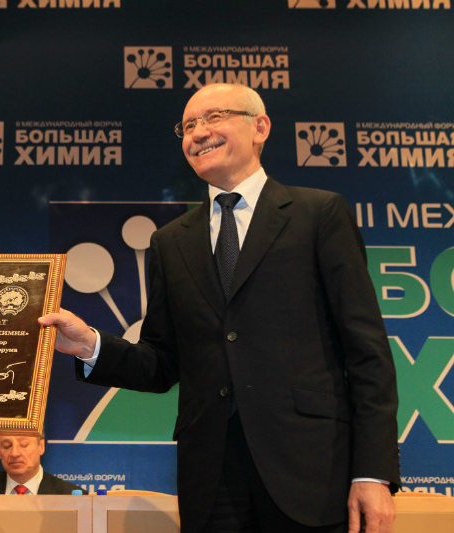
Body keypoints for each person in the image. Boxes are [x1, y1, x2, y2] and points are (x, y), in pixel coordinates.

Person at [39, 83, 400, 533]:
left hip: (312, 471)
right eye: (188, 125)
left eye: (214, 117)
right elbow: (161, 362)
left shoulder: (318, 214)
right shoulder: (170, 242)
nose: (198, 132)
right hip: (211, 480)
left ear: (259, 128)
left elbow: (366, 351)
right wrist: (89, 346)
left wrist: (372, 472)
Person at [0, 434, 83, 495]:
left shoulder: (70, 496)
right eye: (6, 446)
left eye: (24, 444)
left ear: (41, 447)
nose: (14, 453)